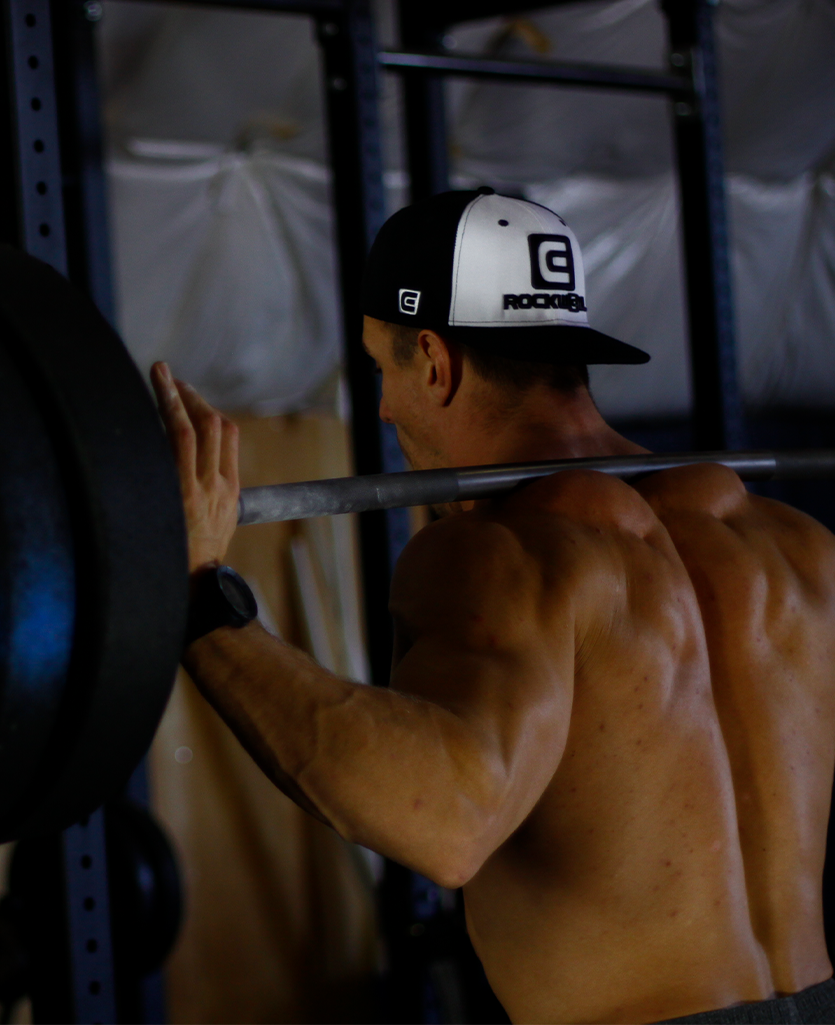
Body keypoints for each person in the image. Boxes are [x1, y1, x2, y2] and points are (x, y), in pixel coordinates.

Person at [150, 188, 835, 1025]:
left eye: (381, 370)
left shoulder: (499, 551)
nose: (384, 408)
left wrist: (197, 596)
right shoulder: (793, 545)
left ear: (434, 362)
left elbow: (445, 824)